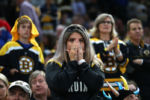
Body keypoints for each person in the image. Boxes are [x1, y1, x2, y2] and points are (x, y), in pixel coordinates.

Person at [45, 24, 105, 100]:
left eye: (81, 40)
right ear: (64, 44)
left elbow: (97, 85)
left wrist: (81, 62)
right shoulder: (53, 63)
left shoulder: (95, 63)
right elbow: (58, 87)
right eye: (72, 40)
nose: (76, 44)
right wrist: (72, 62)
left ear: (86, 45)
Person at [90, 13, 128, 92]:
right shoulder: (91, 43)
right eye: (103, 22)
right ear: (97, 25)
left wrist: (116, 49)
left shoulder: (121, 43)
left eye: (109, 22)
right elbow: (94, 62)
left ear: (112, 25)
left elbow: (123, 63)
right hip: (99, 84)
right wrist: (109, 48)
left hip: (118, 84)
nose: (106, 24)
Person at [0, 15, 44, 82]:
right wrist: (9, 71)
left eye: (29, 27)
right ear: (17, 30)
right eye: (23, 27)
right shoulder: (8, 47)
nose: (26, 29)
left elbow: (41, 71)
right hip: (12, 85)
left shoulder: (37, 49)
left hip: (31, 88)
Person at [126, 18, 150, 100]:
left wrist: (142, 62)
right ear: (129, 33)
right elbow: (129, 67)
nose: (137, 31)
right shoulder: (125, 47)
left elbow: (135, 63)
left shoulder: (148, 47)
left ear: (143, 31)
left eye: (139, 28)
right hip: (134, 86)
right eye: (134, 29)